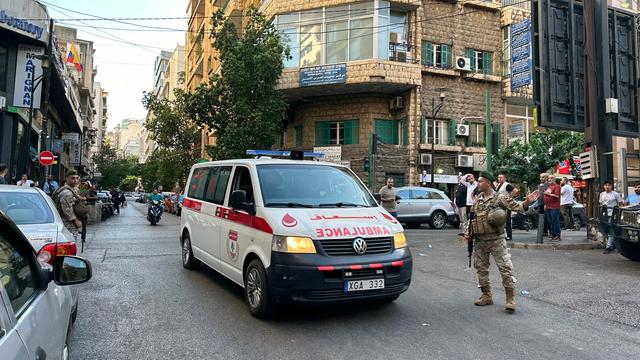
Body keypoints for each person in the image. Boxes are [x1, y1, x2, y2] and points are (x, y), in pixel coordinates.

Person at [464, 172, 538, 313]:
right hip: (480, 240)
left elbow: (517, 207)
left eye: (480, 181)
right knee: (481, 268)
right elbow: (472, 217)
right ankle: (486, 295)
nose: (477, 184)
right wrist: (469, 232)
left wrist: (528, 202)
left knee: (505, 268)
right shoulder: (478, 198)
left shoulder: (500, 198)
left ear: (488, 183)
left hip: (496, 240)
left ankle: (510, 299)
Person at [52, 170, 83, 240]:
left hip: (66, 221)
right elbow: (67, 209)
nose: (75, 180)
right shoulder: (67, 193)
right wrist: (75, 220)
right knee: (70, 240)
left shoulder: (71, 189)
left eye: (77, 178)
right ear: (67, 179)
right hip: (66, 222)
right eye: (72, 178)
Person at [600, 180, 624, 254]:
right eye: (606, 185)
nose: (607, 186)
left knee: (611, 230)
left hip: (613, 214)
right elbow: (601, 203)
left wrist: (620, 213)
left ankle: (609, 246)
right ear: (604, 186)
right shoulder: (602, 194)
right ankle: (612, 244)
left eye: (609, 185)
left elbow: (620, 203)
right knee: (606, 229)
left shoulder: (615, 194)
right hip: (605, 215)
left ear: (611, 186)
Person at [496, 174, 514, 241]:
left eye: (501, 177)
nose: (499, 178)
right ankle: (502, 235)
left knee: (507, 220)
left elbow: (515, 191)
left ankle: (509, 235)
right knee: (501, 221)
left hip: (506, 205)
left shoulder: (507, 185)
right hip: (499, 205)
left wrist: (510, 198)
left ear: (504, 178)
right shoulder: (498, 185)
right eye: (498, 177)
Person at [544, 176, 562, 241]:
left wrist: (547, 193)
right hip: (547, 207)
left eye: (551, 178)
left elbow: (557, 196)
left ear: (554, 179)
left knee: (555, 221)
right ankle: (552, 234)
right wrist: (545, 205)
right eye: (549, 178)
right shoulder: (549, 187)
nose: (550, 179)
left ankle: (557, 235)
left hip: (554, 207)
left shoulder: (557, 186)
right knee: (550, 222)